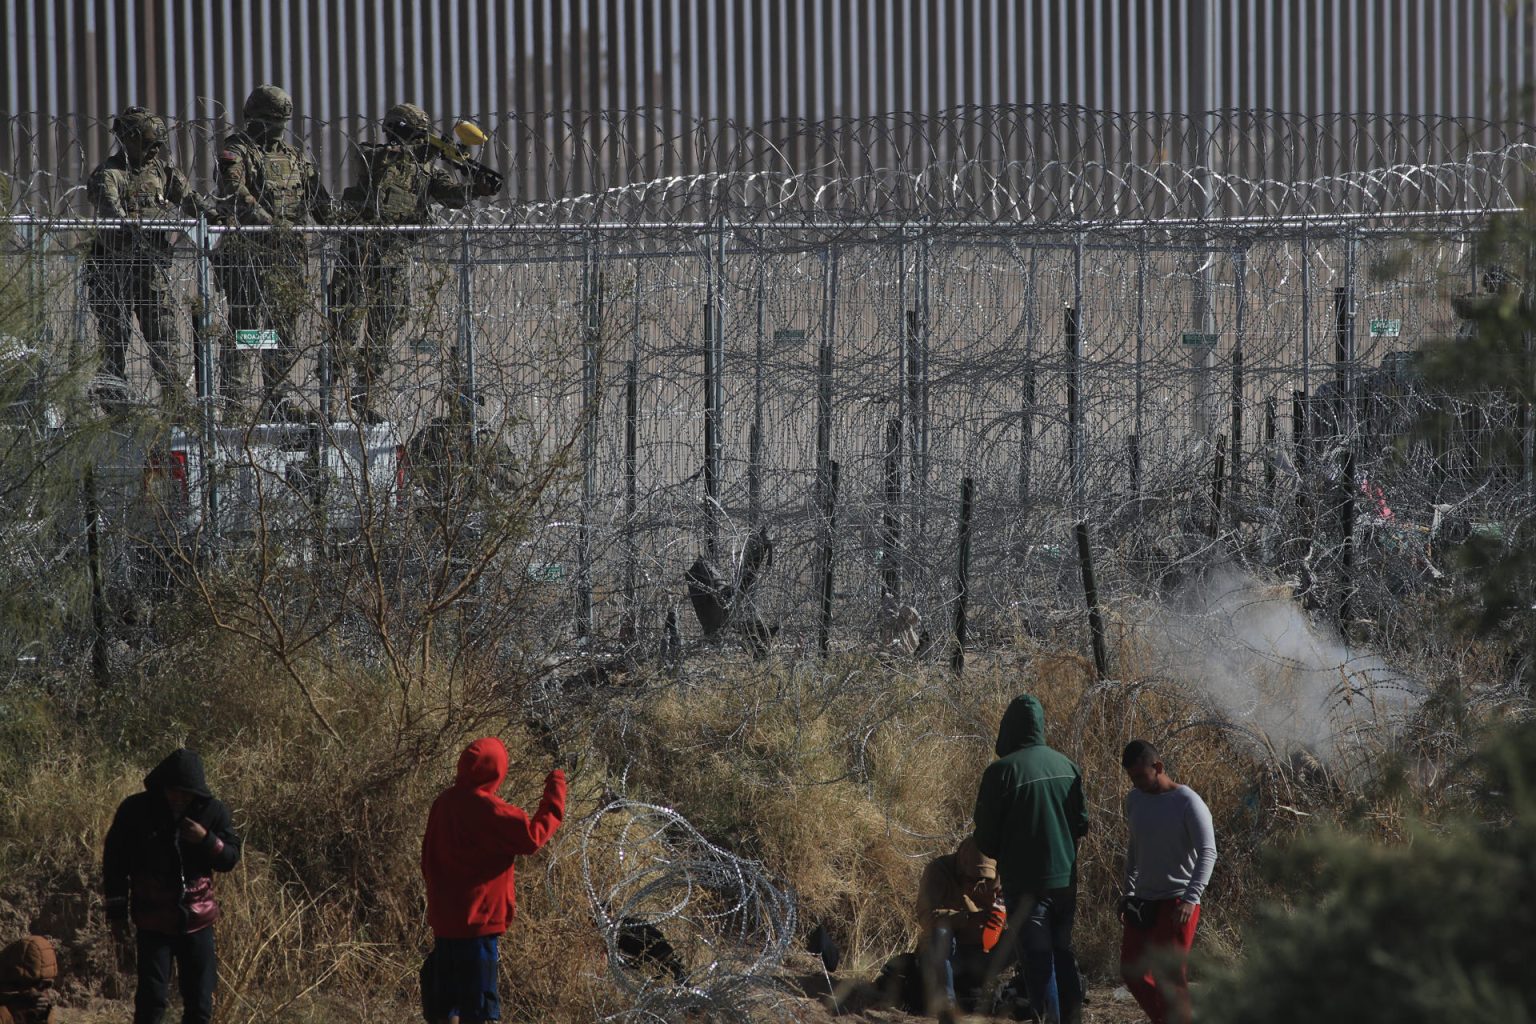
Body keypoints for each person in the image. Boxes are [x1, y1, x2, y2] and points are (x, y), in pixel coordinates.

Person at [329, 102, 502, 423]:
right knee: (344, 326)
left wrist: (474, 188)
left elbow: (449, 195)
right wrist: (423, 154)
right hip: (358, 255)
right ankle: (328, 397)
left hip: (393, 259)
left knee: (384, 326)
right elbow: (379, 171)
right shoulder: (373, 155)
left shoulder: (426, 168)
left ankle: (362, 396)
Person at [420, 737, 565, 1024]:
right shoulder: (490, 810)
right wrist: (557, 785)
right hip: (478, 929)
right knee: (480, 1012)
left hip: (445, 923)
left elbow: (427, 858)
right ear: (496, 771)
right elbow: (533, 836)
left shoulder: (443, 803)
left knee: (447, 1009)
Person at [213, 84, 335, 421]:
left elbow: (318, 200)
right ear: (251, 118)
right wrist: (272, 225)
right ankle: (236, 404)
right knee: (246, 328)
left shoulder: (295, 158)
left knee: (283, 331)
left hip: (288, 256)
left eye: (278, 122)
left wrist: (351, 224)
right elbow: (235, 192)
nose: (272, 129)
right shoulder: (237, 151)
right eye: (267, 121)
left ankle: (277, 401)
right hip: (249, 255)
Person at [84, 107, 211, 414]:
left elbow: (192, 200)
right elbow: (109, 208)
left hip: (151, 269)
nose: (154, 150)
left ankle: (176, 401)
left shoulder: (163, 173)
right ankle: (114, 400)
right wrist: (129, 223)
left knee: (163, 335)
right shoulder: (109, 174)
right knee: (114, 337)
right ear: (128, 141)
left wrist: (212, 215)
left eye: (158, 144)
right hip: (114, 269)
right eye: (147, 143)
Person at [102, 749, 242, 1024]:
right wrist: (116, 916)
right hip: (152, 921)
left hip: (198, 921)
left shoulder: (212, 811)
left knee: (200, 1005)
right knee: (151, 1004)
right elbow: (114, 864)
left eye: (186, 792)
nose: (179, 797)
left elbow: (230, 859)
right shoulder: (135, 810)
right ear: (161, 786)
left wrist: (206, 840)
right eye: (173, 790)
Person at [972, 694, 1088, 1024]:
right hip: (1065, 883)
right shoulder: (1066, 765)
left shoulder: (1000, 773)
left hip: (1026, 888)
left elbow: (986, 837)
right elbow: (1081, 825)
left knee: (1039, 964)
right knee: (1063, 956)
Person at [1117, 739, 1218, 1024]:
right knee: (1132, 971)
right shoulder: (1134, 799)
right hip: (1143, 901)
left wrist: (1191, 898)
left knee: (1171, 978)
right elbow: (1134, 849)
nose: (1135, 783)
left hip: (1177, 902)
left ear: (1158, 767)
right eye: (1131, 778)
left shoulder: (1187, 802)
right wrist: (1129, 893)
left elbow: (1208, 852)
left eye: (1140, 776)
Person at [914, 836, 1006, 1018]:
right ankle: (946, 1004)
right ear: (961, 866)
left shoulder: (996, 878)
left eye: (983, 879)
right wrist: (965, 917)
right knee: (941, 932)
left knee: (1023, 934)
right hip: (945, 955)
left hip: (978, 952)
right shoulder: (938, 871)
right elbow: (926, 917)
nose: (978, 884)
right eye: (973, 878)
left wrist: (997, 912)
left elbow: (1008, 912)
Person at [0, 934, 59, 1024]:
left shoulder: (39, 1008)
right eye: (37, 985)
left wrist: (41, 1017)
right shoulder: (4, 1012)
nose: (41, 993)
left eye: (45, 986)